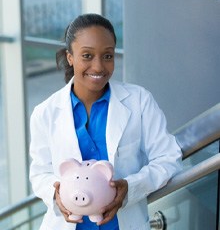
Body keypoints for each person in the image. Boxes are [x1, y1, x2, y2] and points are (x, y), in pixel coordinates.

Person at [29, 13, 182, 230]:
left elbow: (169, 157)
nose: (99, 67)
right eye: (87, 56)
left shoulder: (139, 101)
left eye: (107, 56)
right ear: (70, 57)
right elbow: (39, 172)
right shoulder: (44, 113)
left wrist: (131, 187)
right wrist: (56, 194)